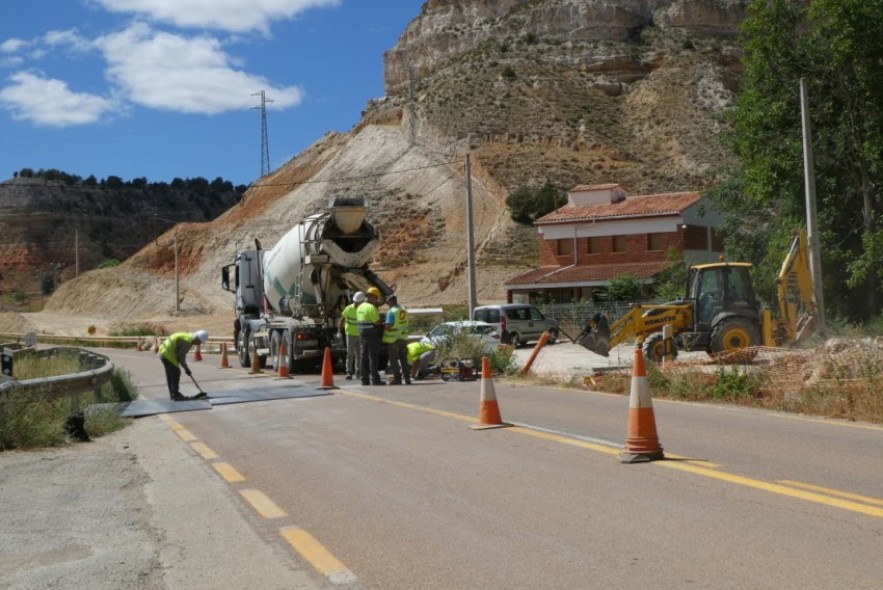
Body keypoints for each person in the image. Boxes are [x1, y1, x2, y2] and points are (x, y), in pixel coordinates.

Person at [159, 330, 207, 401]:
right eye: (199, 342)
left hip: (163, 352)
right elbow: (181, 357)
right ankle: (175, 395)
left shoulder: (188, 336)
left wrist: (185, 367)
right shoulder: (187, 342)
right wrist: (186, 369)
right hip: (167, 354)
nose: (198, 344)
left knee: (170, 374)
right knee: (176, 373)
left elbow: (179, 354)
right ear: (197, 338)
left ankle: (173, 394)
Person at [357, 287, 384, 385]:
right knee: (373, 357)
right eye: (376, 298)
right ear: (373, 296)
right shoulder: (371, 307)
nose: (376, 300)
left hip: (362, 334)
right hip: (371, 335)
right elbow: (376, 322)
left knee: (363, 357)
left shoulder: (360, 306)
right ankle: (375, 379)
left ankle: (364, 379)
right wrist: (382, 322)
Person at [382, 294, 411, 385]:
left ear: (391, 301)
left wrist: (383, 324)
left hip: (393, 339)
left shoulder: (391, 312)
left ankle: (397, 379)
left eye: (387, 302)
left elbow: (388, 326)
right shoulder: (403, 309)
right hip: (403, 337)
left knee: (394, 360)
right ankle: (407, 379)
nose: (387, 303)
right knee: (403, 359)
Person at [338, 291, 364, 380]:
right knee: (350, 353)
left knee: (359, 354)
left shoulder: (363, 309)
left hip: (360, 334)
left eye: (358, 302)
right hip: (350, 334)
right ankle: (349, 371)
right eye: (355, 302)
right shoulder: (348, 308)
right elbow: (341, 320)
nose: (356, 303)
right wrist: (339, 332)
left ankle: (358, 371)